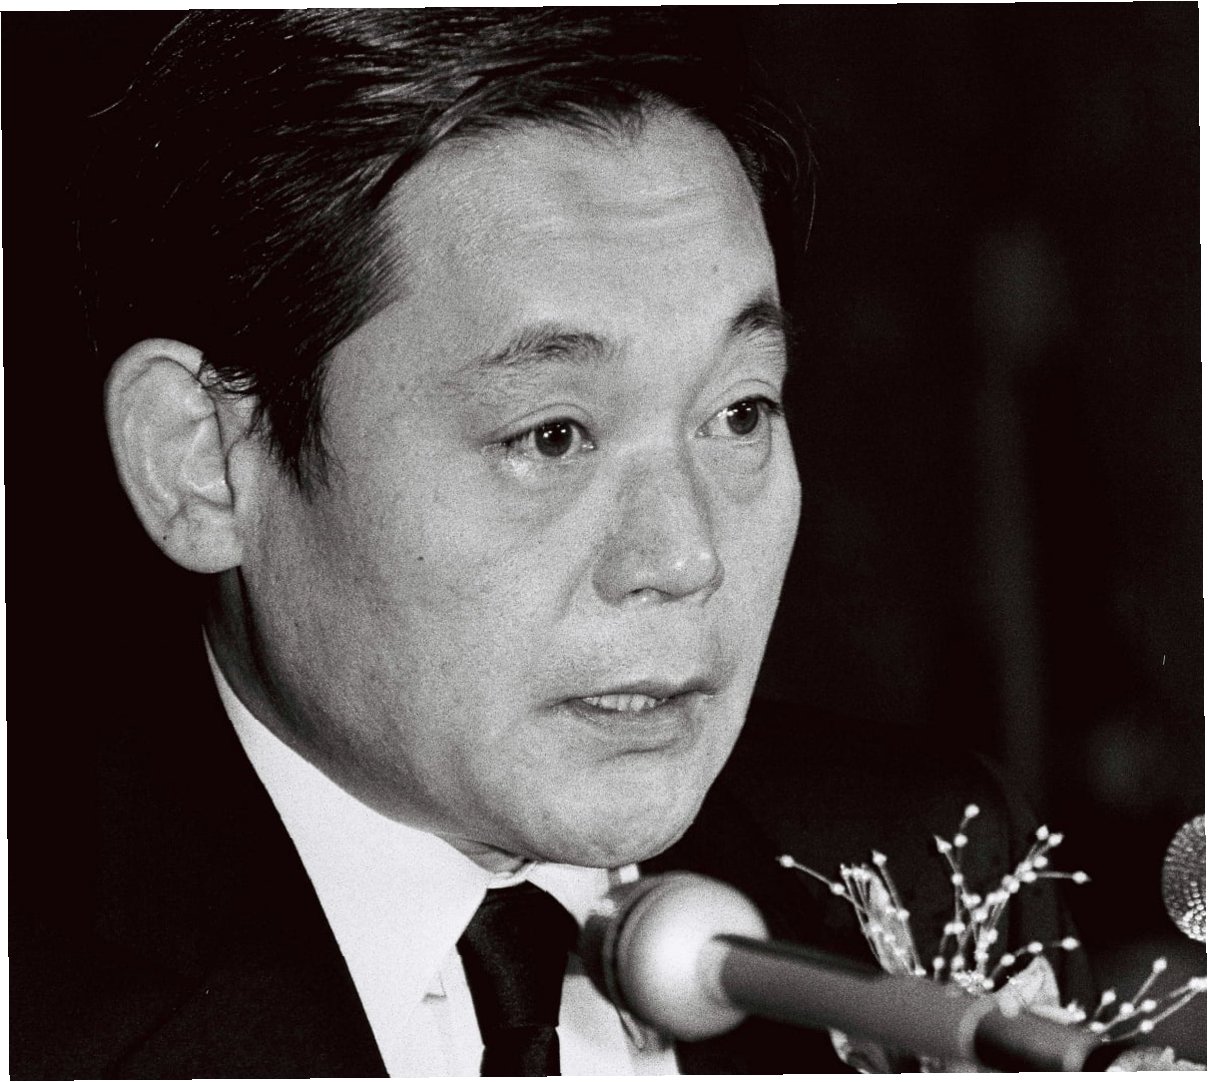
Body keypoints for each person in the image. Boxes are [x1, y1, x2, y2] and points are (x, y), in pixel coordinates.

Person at [10, 10, 1088, 1077]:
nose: (684, 558)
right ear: (203, 461)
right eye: (552, 435)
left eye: (739, 412)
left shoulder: (915, 864)